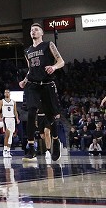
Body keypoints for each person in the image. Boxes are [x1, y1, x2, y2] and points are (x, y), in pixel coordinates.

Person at [19, 23, 65, 162]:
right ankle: (31, 147)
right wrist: (25, 80)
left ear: (42, 32)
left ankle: (55, 141)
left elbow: (61, 61)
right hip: (32, 85)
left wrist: (54, 67)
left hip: (47, 84)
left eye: (36, 29)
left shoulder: (48, 45)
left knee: (52, 117)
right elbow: (30, 69)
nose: (33, 31)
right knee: (32, 111)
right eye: (31, 30)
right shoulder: (27, 51)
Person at [0, 89, 19, 158]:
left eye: (8, 92)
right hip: (6, 118)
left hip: (12, 119)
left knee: (11, 136)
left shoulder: (13, 102)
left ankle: (8, 151)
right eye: (5, 92)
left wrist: (17, 118)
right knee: (7, 134)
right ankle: (4, 150)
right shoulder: (2, 101)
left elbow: (15, 111)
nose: (7, 93)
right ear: (4, 94)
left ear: (10, 94)